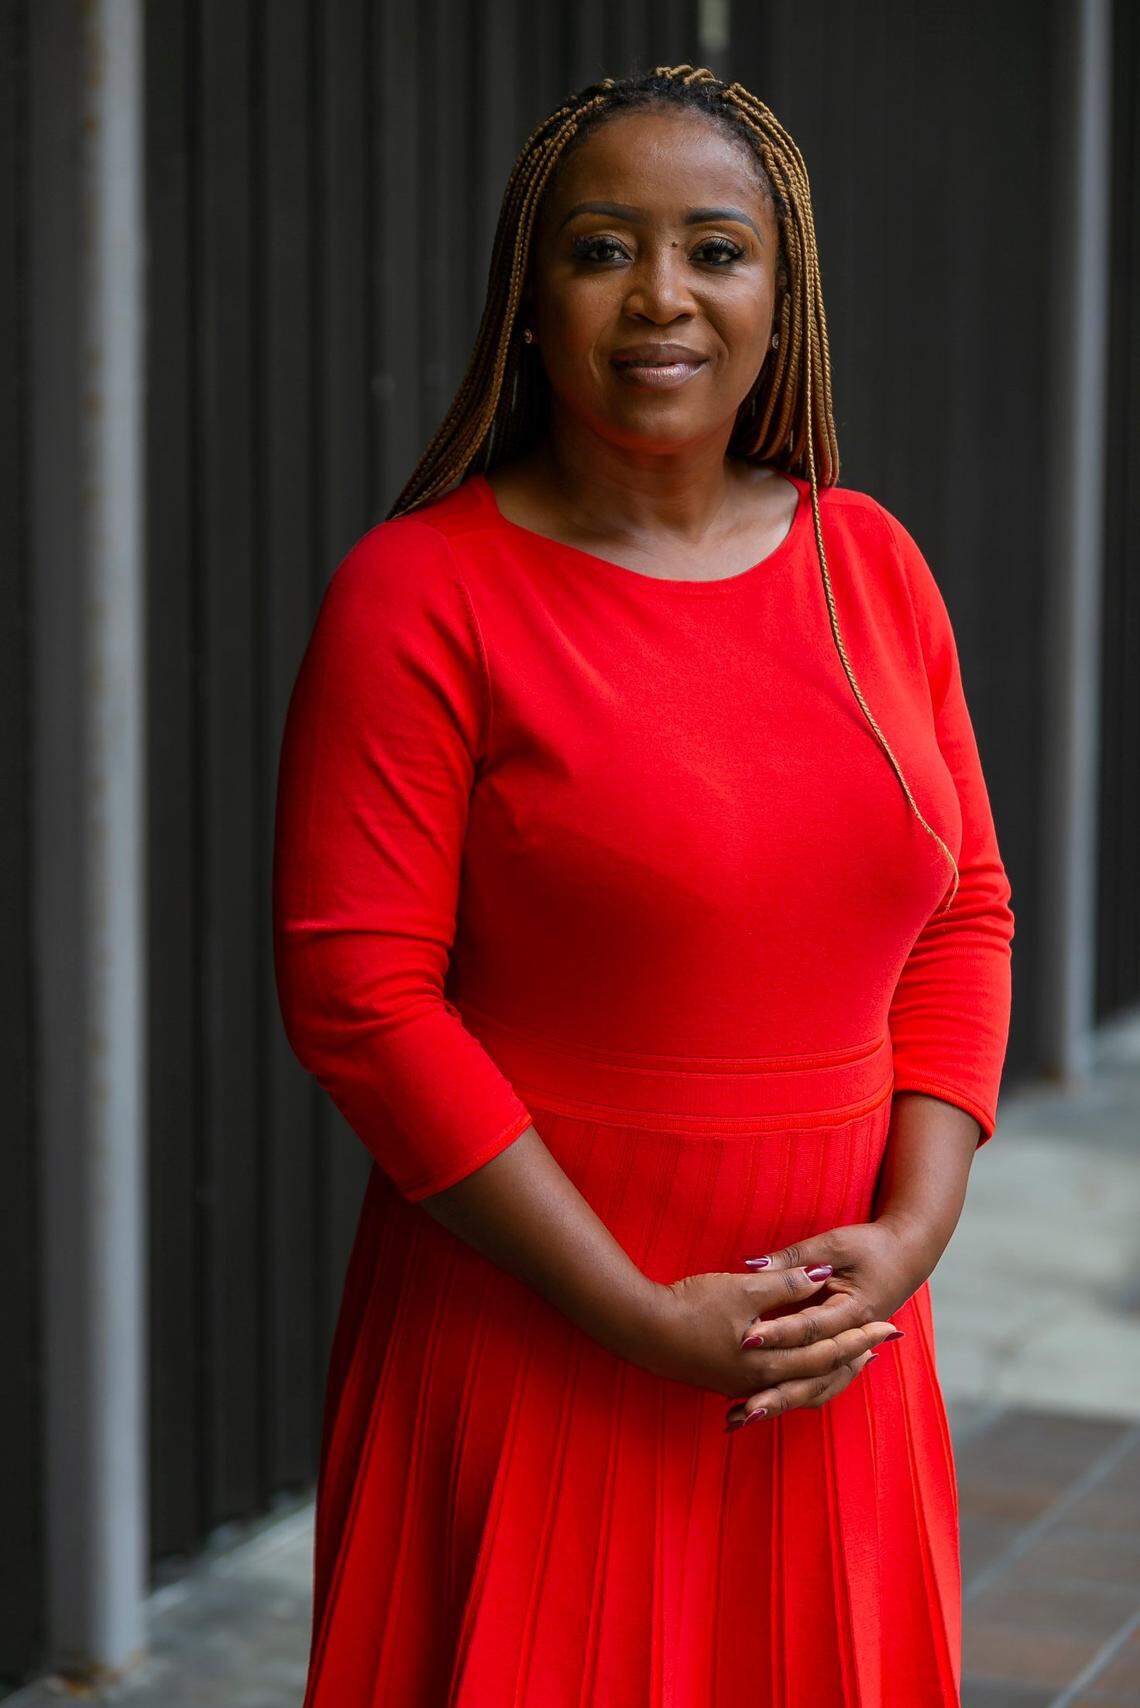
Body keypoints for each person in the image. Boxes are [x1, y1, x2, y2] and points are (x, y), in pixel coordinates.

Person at [272, 63, 1015, 1708]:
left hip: (831, 1354)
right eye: (604, 248)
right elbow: (361, 1003)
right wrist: (632, 1314)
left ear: (781, 293)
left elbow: (966, 907)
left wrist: (908, 1237)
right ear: (528, 298)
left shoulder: (872, 562)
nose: (662, 295)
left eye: (716, 249)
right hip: (539, 1328)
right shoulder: (421, 597)